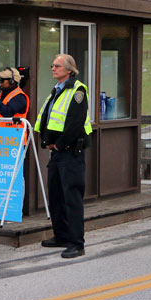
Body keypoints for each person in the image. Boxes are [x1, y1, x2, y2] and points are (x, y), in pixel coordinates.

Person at [34, 54, 92, 258]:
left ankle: (77, 243)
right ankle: (61, 236)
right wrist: (44, 141)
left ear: (69, 70)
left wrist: (58, 144)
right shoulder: (56, 91)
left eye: (57, 65)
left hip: (70, 153)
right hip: (56, 153)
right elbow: (47, 119)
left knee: (72, 198)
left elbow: (75, 124)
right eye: (52, 65)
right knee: (56, 196)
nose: (53, 68)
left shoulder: (77, 91)